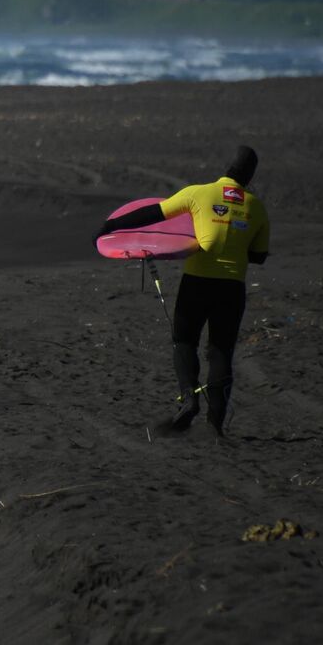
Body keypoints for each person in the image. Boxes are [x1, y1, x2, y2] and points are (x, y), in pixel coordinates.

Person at [98, 146, 270, 437]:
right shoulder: (256, 207)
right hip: (232, 288)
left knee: (184, 341)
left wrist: (109, 227)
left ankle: (189, 399)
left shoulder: (198, 194)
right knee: (221, 352)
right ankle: (216, 426)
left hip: (198, 283)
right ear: (250, 176)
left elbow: (153, 213)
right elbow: (260, 255)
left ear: (226, 168)